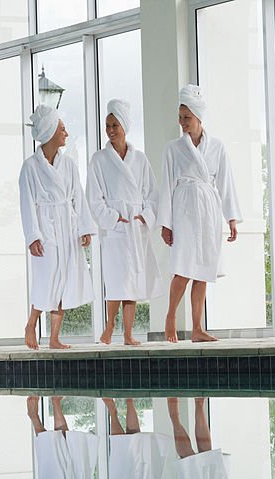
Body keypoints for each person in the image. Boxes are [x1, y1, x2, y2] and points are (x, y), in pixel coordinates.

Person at [156, 84, 242, 343]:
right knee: (183, 268)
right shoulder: (173, 148)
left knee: (203, 270)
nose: (182, 122)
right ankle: (170, 317)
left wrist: (231, 218)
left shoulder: (217, 147)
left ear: (198, 117)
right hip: (184, 210)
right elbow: (167, 186)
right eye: (180, 117)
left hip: (208, 211)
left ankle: (197, 328)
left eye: (187, 118)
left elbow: (226, 182)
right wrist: (165, 223)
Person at [86, 100, 164, 345]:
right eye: (107, 125)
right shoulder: (99, 159)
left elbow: (153, 194)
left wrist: (145, 218)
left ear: (125, 126)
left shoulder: (140, 159)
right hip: (116, 228)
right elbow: (93, 197)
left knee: (133, 282)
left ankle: (129, 334)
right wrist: (112, 218)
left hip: (135, 227)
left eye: (114, 125)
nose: (110, 130)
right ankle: (109, 327)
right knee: (117, 280)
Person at [19, 105, 95, 350]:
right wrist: (33, 236)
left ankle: (54, 338)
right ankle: (31, 323)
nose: (66, 133)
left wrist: (84, 227)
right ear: (51, 131)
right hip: (45, 227)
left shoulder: (69, 164)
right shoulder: (30, 167)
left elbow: (78, 197)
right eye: (62, 129)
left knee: (64, 279)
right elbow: (27, 203)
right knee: (47, 277)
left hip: (67, 227)